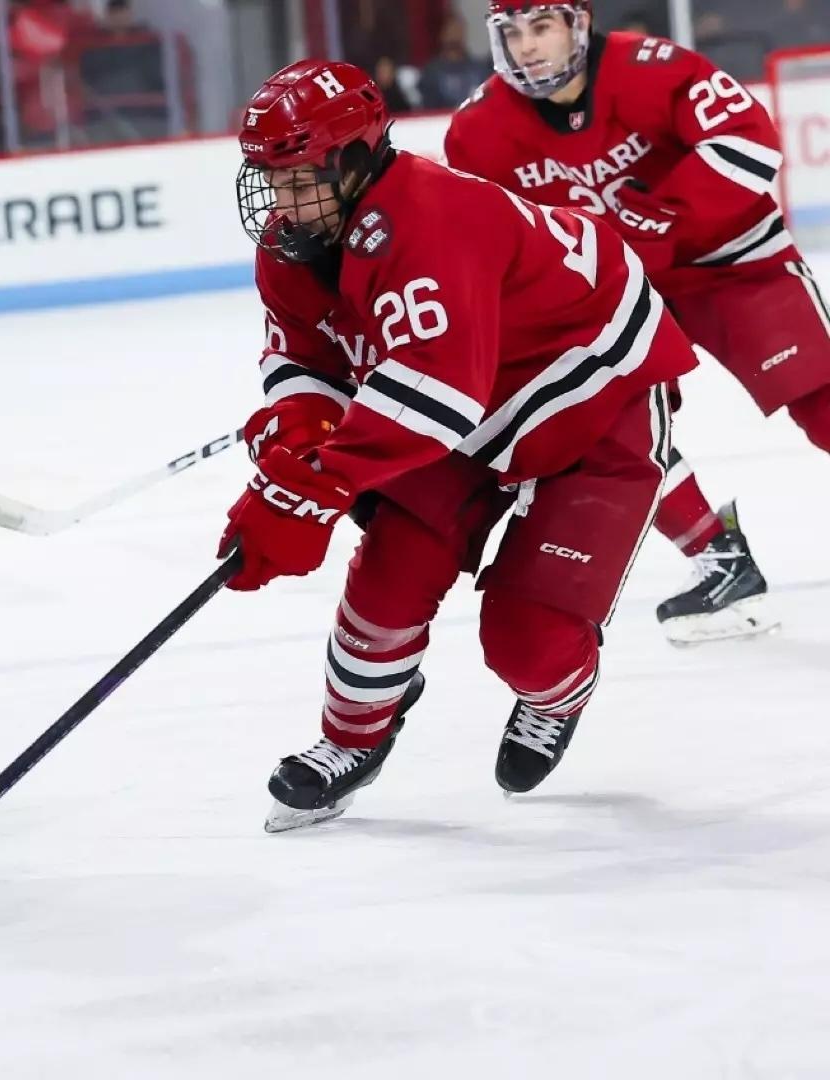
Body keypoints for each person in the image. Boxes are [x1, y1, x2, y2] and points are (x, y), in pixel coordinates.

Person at [229, 60, 696, 831]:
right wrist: (304, 432)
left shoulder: (430, 221)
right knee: (390, 574)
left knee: (528, 644)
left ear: (354, 159)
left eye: (298, 177)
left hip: (588, 393)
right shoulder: (297, 241)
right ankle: (351, 739)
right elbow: (304, 354)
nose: (280, 200)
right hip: (466, 403)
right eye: (271, 178)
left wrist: (318, 487)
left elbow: (438, 394)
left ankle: (558, 697)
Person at [443, 0, 828, 644]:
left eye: (541, 27)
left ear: (578, 22)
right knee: (600, 420)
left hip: (730, 260)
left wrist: (667, 213)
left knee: (821, 401)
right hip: (616, 289)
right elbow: (487, 244)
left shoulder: (654, 69)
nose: (526, 46)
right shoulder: (477, 131)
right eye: (511, 32)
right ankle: (720, 560)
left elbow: (748, 141)